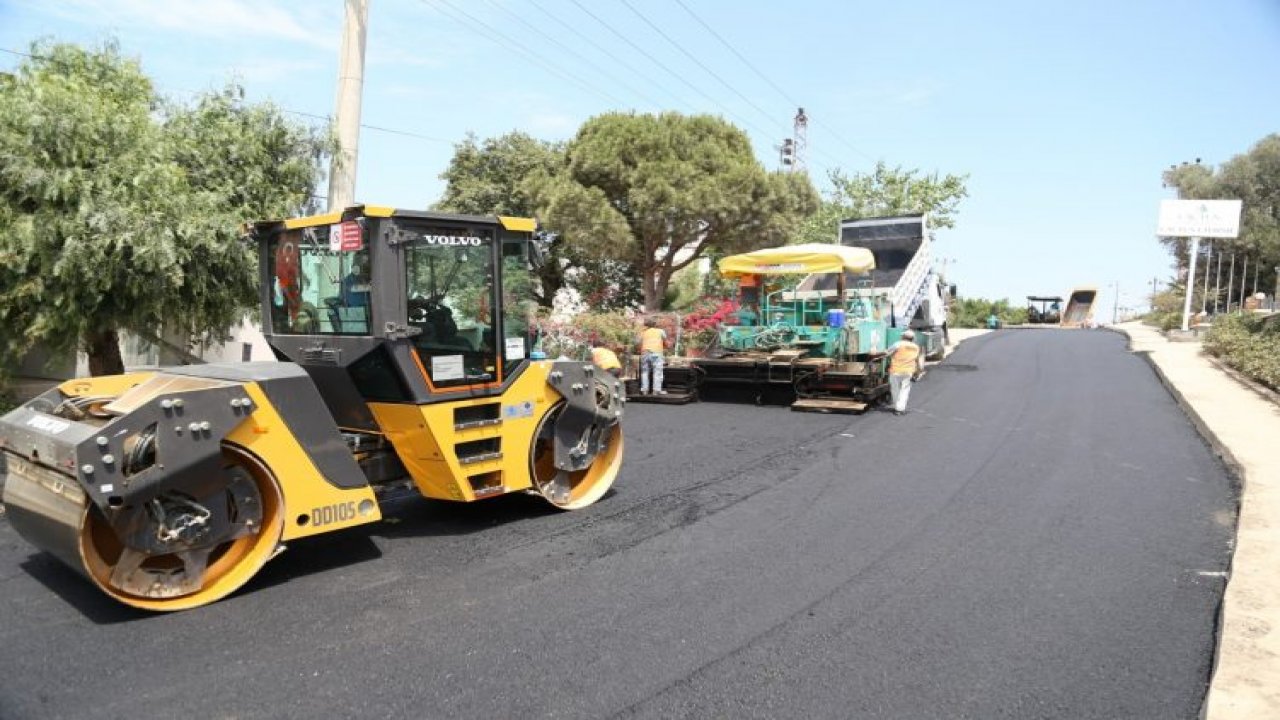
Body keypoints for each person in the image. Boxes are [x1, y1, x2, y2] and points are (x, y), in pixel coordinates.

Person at [882, 329, 924, 416]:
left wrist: (878, 354)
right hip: (908, 371)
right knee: (905, 390)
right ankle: (900, 409)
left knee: (895, 389)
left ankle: (897, 407)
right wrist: (918, 372)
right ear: (912, 338)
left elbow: (887, 353)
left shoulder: (898, 344)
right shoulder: (916, 347)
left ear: (904, 336)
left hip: (896, 370)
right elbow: (917, 360)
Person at [637, 318, 668, 394]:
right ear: (655, 324)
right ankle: (656, 390)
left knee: (645, 372)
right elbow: (665, 340)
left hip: (645, 353)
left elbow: (638, 342)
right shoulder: (660, 331)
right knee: (657, 372)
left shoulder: (643, 332)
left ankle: (644, 390)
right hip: (656, 352)